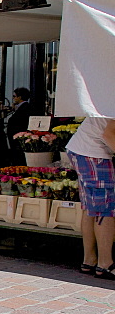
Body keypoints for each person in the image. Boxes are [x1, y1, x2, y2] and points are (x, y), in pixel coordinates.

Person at [65, 117, 115, 279]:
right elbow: (109, 134)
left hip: (82, 150)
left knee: (90, 208)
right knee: (105, 208)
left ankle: (89, 260)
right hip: (94, 153)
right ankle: (105, 264)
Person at [6, 87, 34, 163]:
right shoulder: (21, 107)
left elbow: (18, 121)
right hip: (16, 135)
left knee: (18, 156)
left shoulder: (24, 108)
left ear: (20, 97)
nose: (13, 98)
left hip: (18, 135)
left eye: (14, 96)